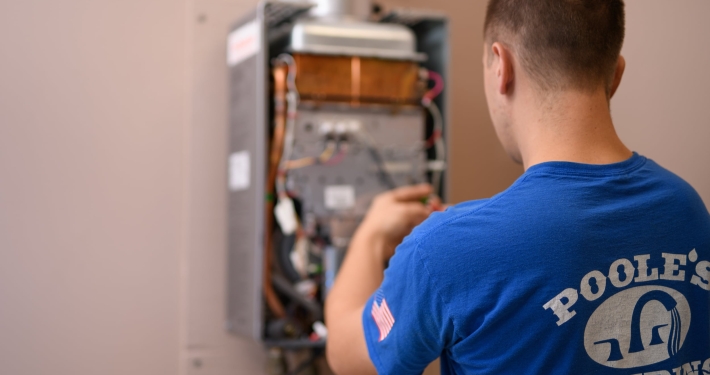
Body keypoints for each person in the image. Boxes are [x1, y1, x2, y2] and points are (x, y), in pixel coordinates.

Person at [324, 0, 710, 374]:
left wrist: (371, 235)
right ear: (615, 75)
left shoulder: (445, 252)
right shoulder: (686, 207)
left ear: (501, 67)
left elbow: (349, 357)